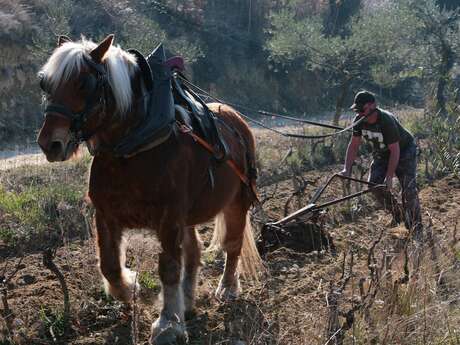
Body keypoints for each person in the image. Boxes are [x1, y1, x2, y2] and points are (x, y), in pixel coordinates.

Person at [340, 91, 422, 240]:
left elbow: (395, 150)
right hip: (382, 154)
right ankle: (398, 215)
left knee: (408, 190)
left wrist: (389, 177)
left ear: (373, 106)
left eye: (362, 109)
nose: (360, 113)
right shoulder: (359, 121)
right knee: (374, 185)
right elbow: (353, 145)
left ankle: (416, 227)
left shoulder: (386, 120)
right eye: (357, 110)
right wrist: (347, 168)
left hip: (404, 151)